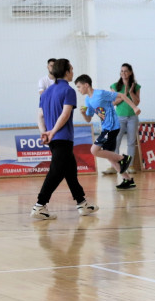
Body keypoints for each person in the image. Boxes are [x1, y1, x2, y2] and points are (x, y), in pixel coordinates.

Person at [30, 59, 99, 220]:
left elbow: (40, 116)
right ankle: (40, 205)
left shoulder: (46, 92)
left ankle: (82, 203)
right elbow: (65, 114)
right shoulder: (68, 90)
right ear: (66, 72)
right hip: (62, 138)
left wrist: (44, 132)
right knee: (56, 172)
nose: (73, 72)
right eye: (71, 69)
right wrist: (53, 132)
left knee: (70, 170)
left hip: (53, 139)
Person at [74, 75, 139, 190]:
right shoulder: (88, 100)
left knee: (94, 150)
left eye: (79, 87)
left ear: (86, 85)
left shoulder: (100, 93)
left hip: (112, 127)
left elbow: (122, 95)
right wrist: (84, 113)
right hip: (105, 128)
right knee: (110, 156)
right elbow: (88, 119)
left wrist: (134, 108)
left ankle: (123, 158)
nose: (78, 90)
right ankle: (128, 180)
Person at [110, 63, 141, 175]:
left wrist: (130, 93)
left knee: (131, 142)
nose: (123, 73)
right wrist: (123, 95)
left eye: (126, 71)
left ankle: (130, 165)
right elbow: (113, 103)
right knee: (116, 141)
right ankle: (114, 165)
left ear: (130, 72)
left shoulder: (136, 86)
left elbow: (136, 102)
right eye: (122, 71)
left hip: (132, 117)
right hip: (119, 117)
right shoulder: (115, 86)